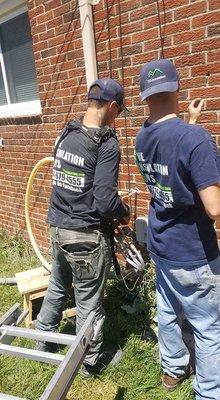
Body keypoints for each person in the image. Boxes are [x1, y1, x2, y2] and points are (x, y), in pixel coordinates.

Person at [135, 58, 220, 400]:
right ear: (178, 88)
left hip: (162, 244)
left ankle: (172, 371)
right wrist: (195, 127)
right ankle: (210, 393)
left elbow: (170, 161)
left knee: (169, 310)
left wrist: (192, 122)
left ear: (145, 96)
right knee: (209, 328)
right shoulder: (195, 140)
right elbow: (214, 207)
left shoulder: (143, 135)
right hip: (194, 253)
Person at [35, 77, 130, 376]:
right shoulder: (106, 143)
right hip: (85, 237)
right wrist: (124, 212)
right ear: (112, 106)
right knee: (88, 300)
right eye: (119, 111)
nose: (117, 118)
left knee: (58, 284)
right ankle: (89, 362)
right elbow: (104, 201)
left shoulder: (68, 131)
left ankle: (43, 341)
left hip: (57, 227)